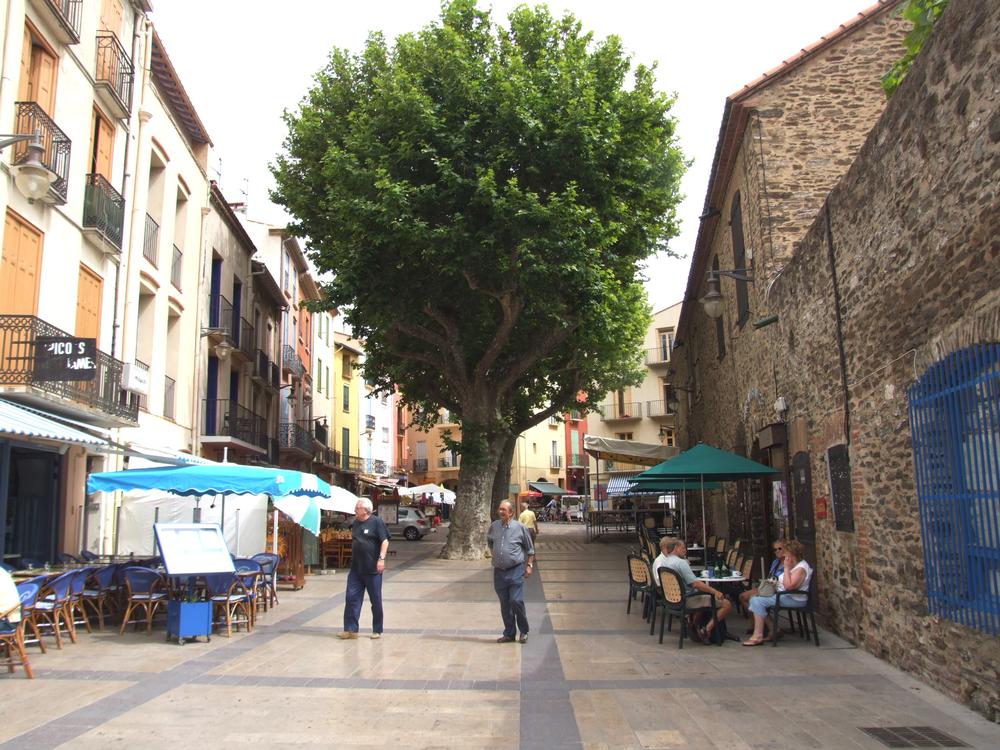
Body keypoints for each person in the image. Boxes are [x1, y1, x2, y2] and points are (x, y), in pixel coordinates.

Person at [654, 537, 733, 643]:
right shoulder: (681, 563)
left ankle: (692, 623)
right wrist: (715, 592)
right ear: (676, 548)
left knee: (705, 596)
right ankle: (707, 629)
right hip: (687, 600)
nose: (685, 551)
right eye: (683, 548)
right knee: (726, 604)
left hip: (671, 599)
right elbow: (695, 584)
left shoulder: (664, 563)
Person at [744, 539, 813, 646]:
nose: (784, 555)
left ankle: (758, 635)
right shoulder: (794, 565)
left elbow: (789, 586)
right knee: (754, 598)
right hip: (784, 595)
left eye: (786, 552)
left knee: (757, 601)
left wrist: (786, 568)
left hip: (793, 599)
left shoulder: (800, 568)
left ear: (792, 554)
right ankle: (772, 629)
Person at [339, 498, 390, 640]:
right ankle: (350, 629)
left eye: (357, 507)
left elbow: (385, 541)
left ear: (366, 510)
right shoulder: (355, 523)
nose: (355, 509)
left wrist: (381, 559)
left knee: (376, 600)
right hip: (356, 568)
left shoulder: (376, 522)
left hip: (372, 569)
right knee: (351, 598)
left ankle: (377, 629)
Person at [487, 500, 534, 644]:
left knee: (516, 600)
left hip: (515, 570)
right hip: (499, 572)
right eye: (499, 509)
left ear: (511, 513)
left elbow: (530, 549)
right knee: (505, 603)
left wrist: (529, 565)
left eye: (504, 510)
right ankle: (509, 633)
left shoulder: (520, 528)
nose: (501, 512)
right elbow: (490, 542)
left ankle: (524, 631)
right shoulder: (494, 527)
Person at [739, 539, 785, 614]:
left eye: (780, 548)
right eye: (775, 549)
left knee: (753, 599)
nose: (777, 551)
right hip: (769, 587)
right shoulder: (775, 562)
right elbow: (770, 577)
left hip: (777, 590)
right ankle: (758, 619)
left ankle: (766, 623)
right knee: (742, 596)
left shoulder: (789, 563)